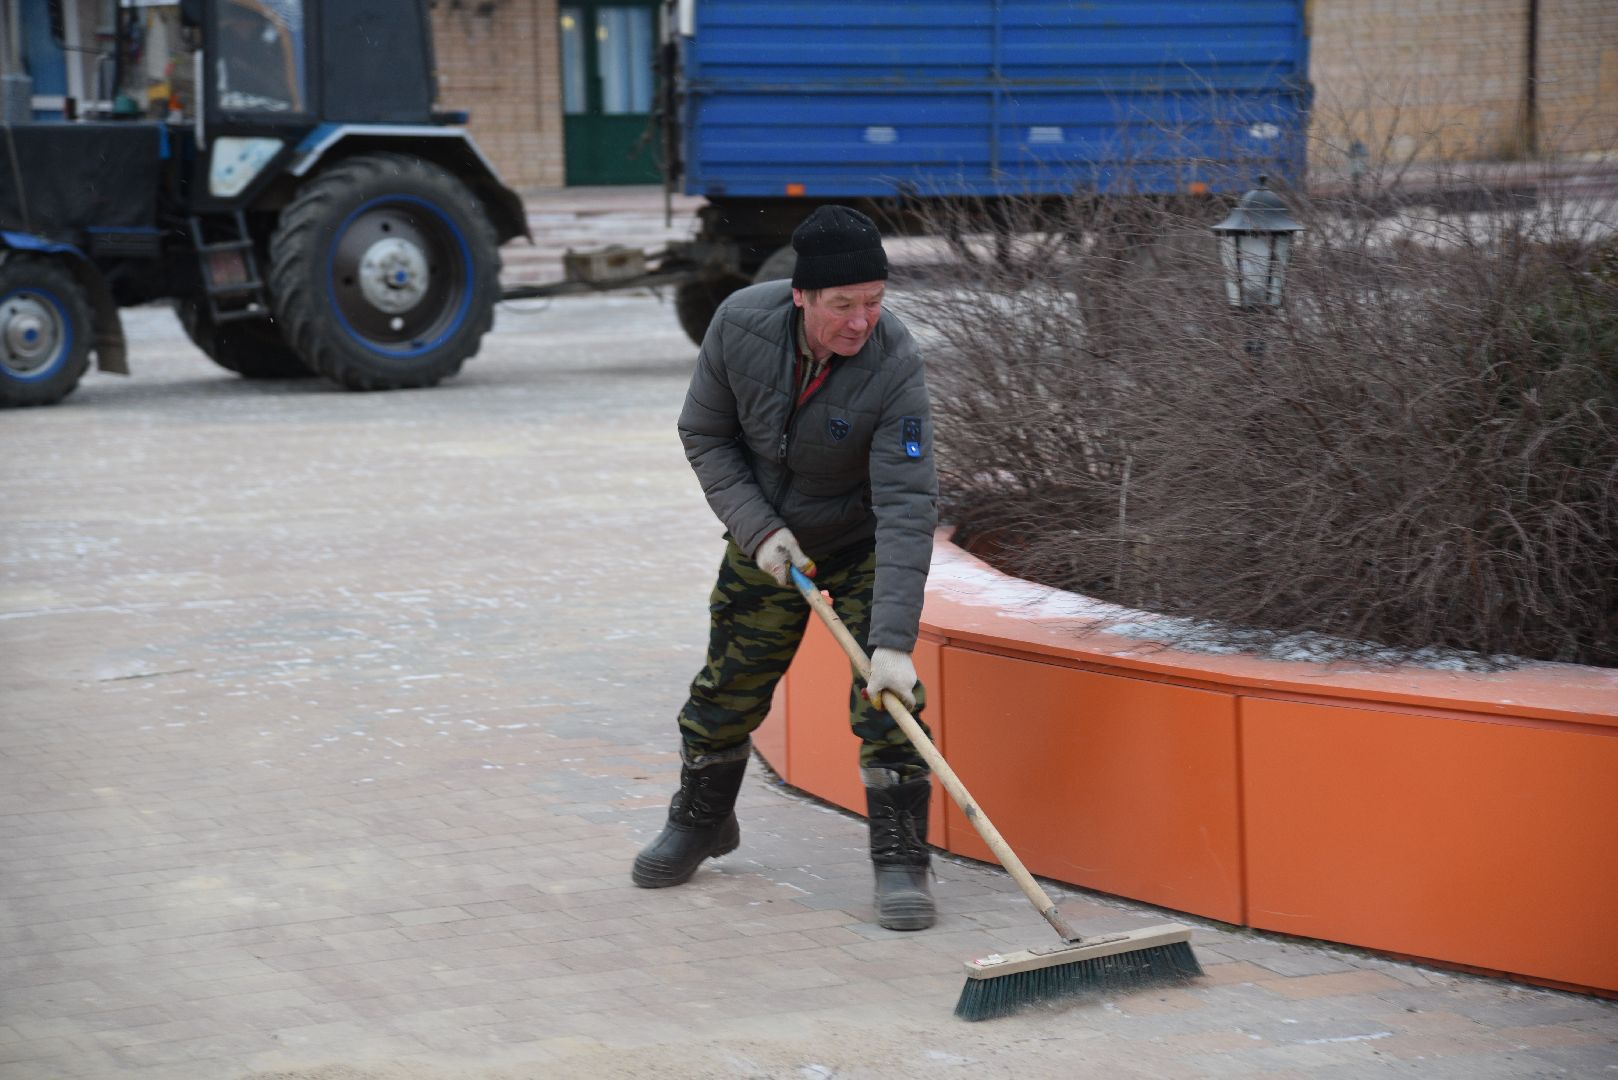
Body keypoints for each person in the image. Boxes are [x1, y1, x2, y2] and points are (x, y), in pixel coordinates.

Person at [632, 205, 940, 931]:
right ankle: (703, 818)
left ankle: (901, 858)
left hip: (859, 543)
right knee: (726, 687)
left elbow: (906, 505)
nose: (862, 321)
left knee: (888, 702)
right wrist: (758, 530)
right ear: (801, 295)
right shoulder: (739, 324)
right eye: (843, 305)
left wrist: (892, 644)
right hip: (767, 540)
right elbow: (704, 433)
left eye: (874, 302)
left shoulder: (895, 367)